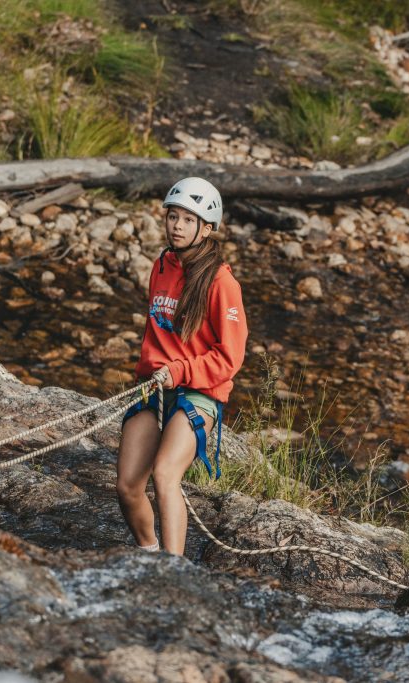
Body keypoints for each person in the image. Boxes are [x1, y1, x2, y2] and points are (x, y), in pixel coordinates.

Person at [116, 177, 247, 555]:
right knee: (127, 485)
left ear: (206, 228)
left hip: (198, 393)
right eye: (173, 217)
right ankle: (149, 552)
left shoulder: (223, 283)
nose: (176, 225)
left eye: (188, 220)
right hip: (155, 387)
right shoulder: (162, 265)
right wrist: (153, 371)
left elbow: (230, 357)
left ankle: (173, 571)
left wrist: (180, 371)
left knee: (165, 474)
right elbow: (156, 334)